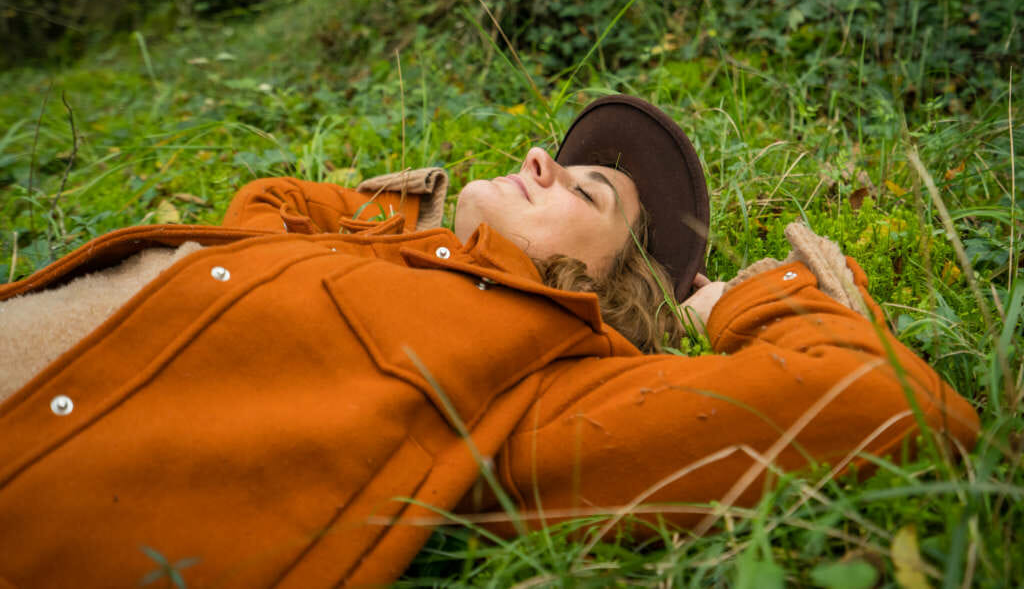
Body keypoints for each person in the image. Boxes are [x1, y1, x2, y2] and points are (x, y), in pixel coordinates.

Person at [0, 95, 978, 588]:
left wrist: (725, 301)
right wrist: (417, 225)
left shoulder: (526, 380)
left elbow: (881, 402)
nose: (539, 156)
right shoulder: (389, 262)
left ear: (606, 285)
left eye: (585, 191)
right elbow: (269, 202)